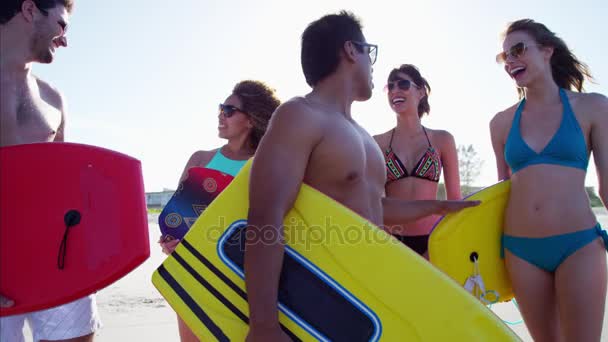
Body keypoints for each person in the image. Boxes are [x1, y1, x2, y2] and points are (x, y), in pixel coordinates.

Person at [243, 11, 479, 341]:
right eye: (370, 52)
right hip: (321, 294)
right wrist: (263, 323)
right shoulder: (300, 115)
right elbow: (265, 215)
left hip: (371, 295)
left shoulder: (363, 136)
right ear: (351, 50)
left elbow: (375, 208)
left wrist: (439, 208)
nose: (373, 66)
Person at [490, 19, 608, 341]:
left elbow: (606, 185)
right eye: (504, 57)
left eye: (517, 50)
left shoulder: (593, 107)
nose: (510, 61)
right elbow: (502, 192)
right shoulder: (500, 123)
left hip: (579, 244)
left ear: (546, 50)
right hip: (520, 251)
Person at [0, 1, 104, 342]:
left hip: (54, 249)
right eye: (62, 24)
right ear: (30, 9)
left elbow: (64, 182)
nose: (64, 39)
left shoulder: (52, 98)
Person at [158, 80, 281, 342]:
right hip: (192, 270)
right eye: (220, 108)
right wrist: (170, 240)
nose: (220, 115)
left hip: (238, 276)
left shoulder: (264, 165)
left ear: (250, 120)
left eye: (229, 110)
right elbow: (176, 217)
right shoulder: (201, 159)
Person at [374, 64, 461, 257]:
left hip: (434, 241)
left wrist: (440, 246)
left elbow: (455, 199)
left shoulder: (443, 139)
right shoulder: (377, 143)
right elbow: (373, 202)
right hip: (391, 243)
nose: (395, 90)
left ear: (420, 92)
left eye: (403, 84)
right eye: (391, 86)